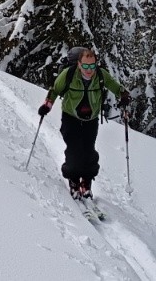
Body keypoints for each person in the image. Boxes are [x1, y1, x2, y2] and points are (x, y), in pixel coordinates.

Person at [38, 46, 129, 199]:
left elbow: (115, 87)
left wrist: (124, 95)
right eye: (85, 66)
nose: (89, 69)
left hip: (91, 119)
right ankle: (73, 179)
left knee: (88, 151)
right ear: (79, 64)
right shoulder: (69, 74)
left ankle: (86, 181)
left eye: (92, 66)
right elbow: (55, 90)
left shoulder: (100, 75)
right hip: (70, 117)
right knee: (74, 150)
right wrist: (47, 105)